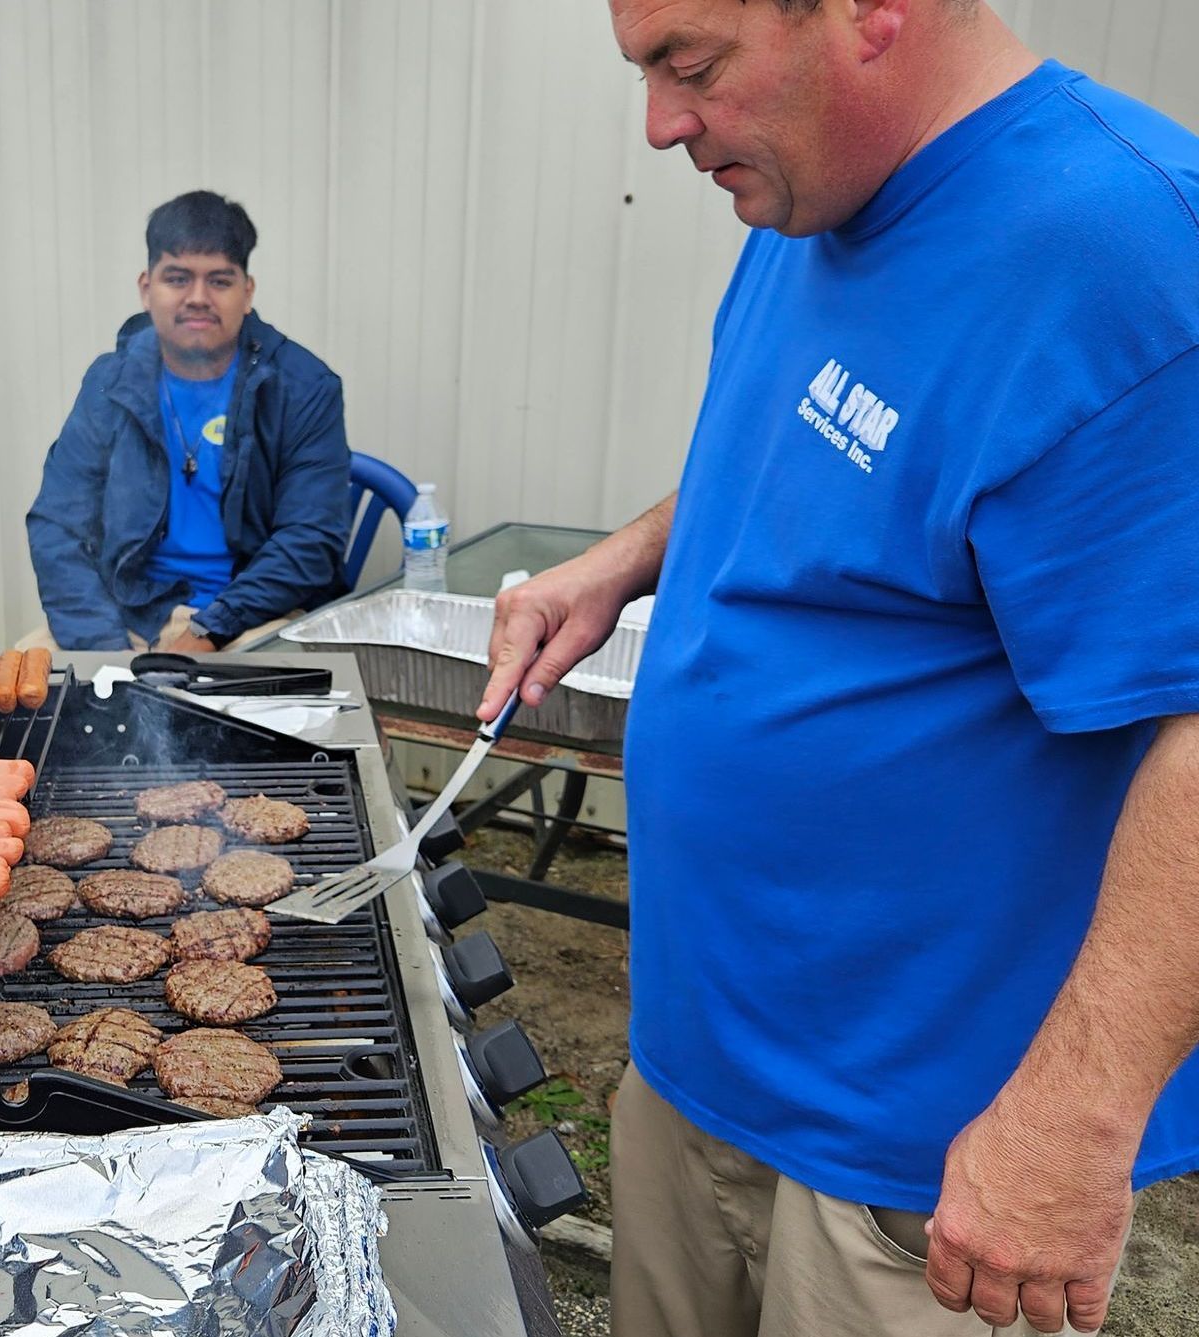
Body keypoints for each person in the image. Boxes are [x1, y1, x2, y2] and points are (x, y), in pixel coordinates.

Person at [481, 2, 1199, 1334]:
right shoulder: (811, 193)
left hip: (916, 1159)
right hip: (705, 1053)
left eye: (690, 67)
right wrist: (629, 556)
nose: (660, 126)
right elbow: (809, 461)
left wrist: (1067, 1127)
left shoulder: (1130, 257)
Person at [24, 191, 351, 652]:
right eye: (177, 278)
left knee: (244, 722)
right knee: (26, 700)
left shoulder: (302, 387)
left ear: (247, 291)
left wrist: (206, 632)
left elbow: (309, 542)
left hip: (252, 619)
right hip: (127, 616)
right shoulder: (112, 381)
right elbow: (58, 527)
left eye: (219, 281)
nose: (198, 298)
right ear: (146, 288)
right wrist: (107, 656)